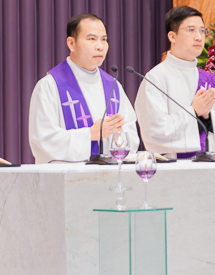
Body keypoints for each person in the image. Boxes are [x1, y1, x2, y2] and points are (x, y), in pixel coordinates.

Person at [28, 13, 138, 163]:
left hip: (109, 174)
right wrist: (91, 134)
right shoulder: (50, 86)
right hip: (66, 176)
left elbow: (131, 137)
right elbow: (43, 142)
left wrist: (115, 136)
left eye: (104, 39)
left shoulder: (113, 86)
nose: (100, 46)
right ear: (71, 44)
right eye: (91, 39)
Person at [135, 6, 215, 157]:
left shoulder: (210, 81)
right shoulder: (156, 79)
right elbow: (154, 131)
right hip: (172, 166)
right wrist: (194, 111)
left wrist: (209, 118)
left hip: (209, 165)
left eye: (202, 30)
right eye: (191, 30)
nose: (199, 37)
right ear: (172, 36)